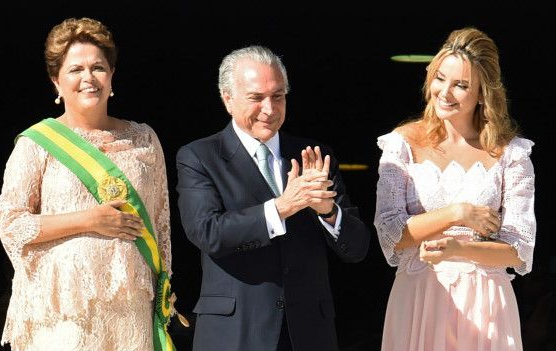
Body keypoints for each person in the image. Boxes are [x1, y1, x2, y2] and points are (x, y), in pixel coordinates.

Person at [176, 45, 370, 351]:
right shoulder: (200, 157)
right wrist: (282, 207)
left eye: (277, 96)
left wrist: (327, 211)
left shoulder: (314, 155)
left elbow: (357, 247)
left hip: (307, 333)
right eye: (256, 98)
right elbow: (207, 232)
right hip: (235, 332)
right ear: (228, 98)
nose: (269, 108)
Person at [0, 17, 173, 350]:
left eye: (98, 68)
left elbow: (161, 226)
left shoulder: (144, 139)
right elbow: (11, 224)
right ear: (56, 83)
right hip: (64, 312)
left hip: (130, 310)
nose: (89, 78)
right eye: (75, 70)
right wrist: (89, 220)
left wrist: (161, 299)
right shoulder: (36, 143)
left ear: (112, 76)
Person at [374, 27, 536, 350]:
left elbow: (520, 250)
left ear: (482, 93)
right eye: (440, 78)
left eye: (461, 85)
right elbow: (389, 232)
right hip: (419, 294)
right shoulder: (402, 144)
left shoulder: (512, 155)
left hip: (486, 301)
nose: (445, 92)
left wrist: (458, 249)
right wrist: (457, 214)